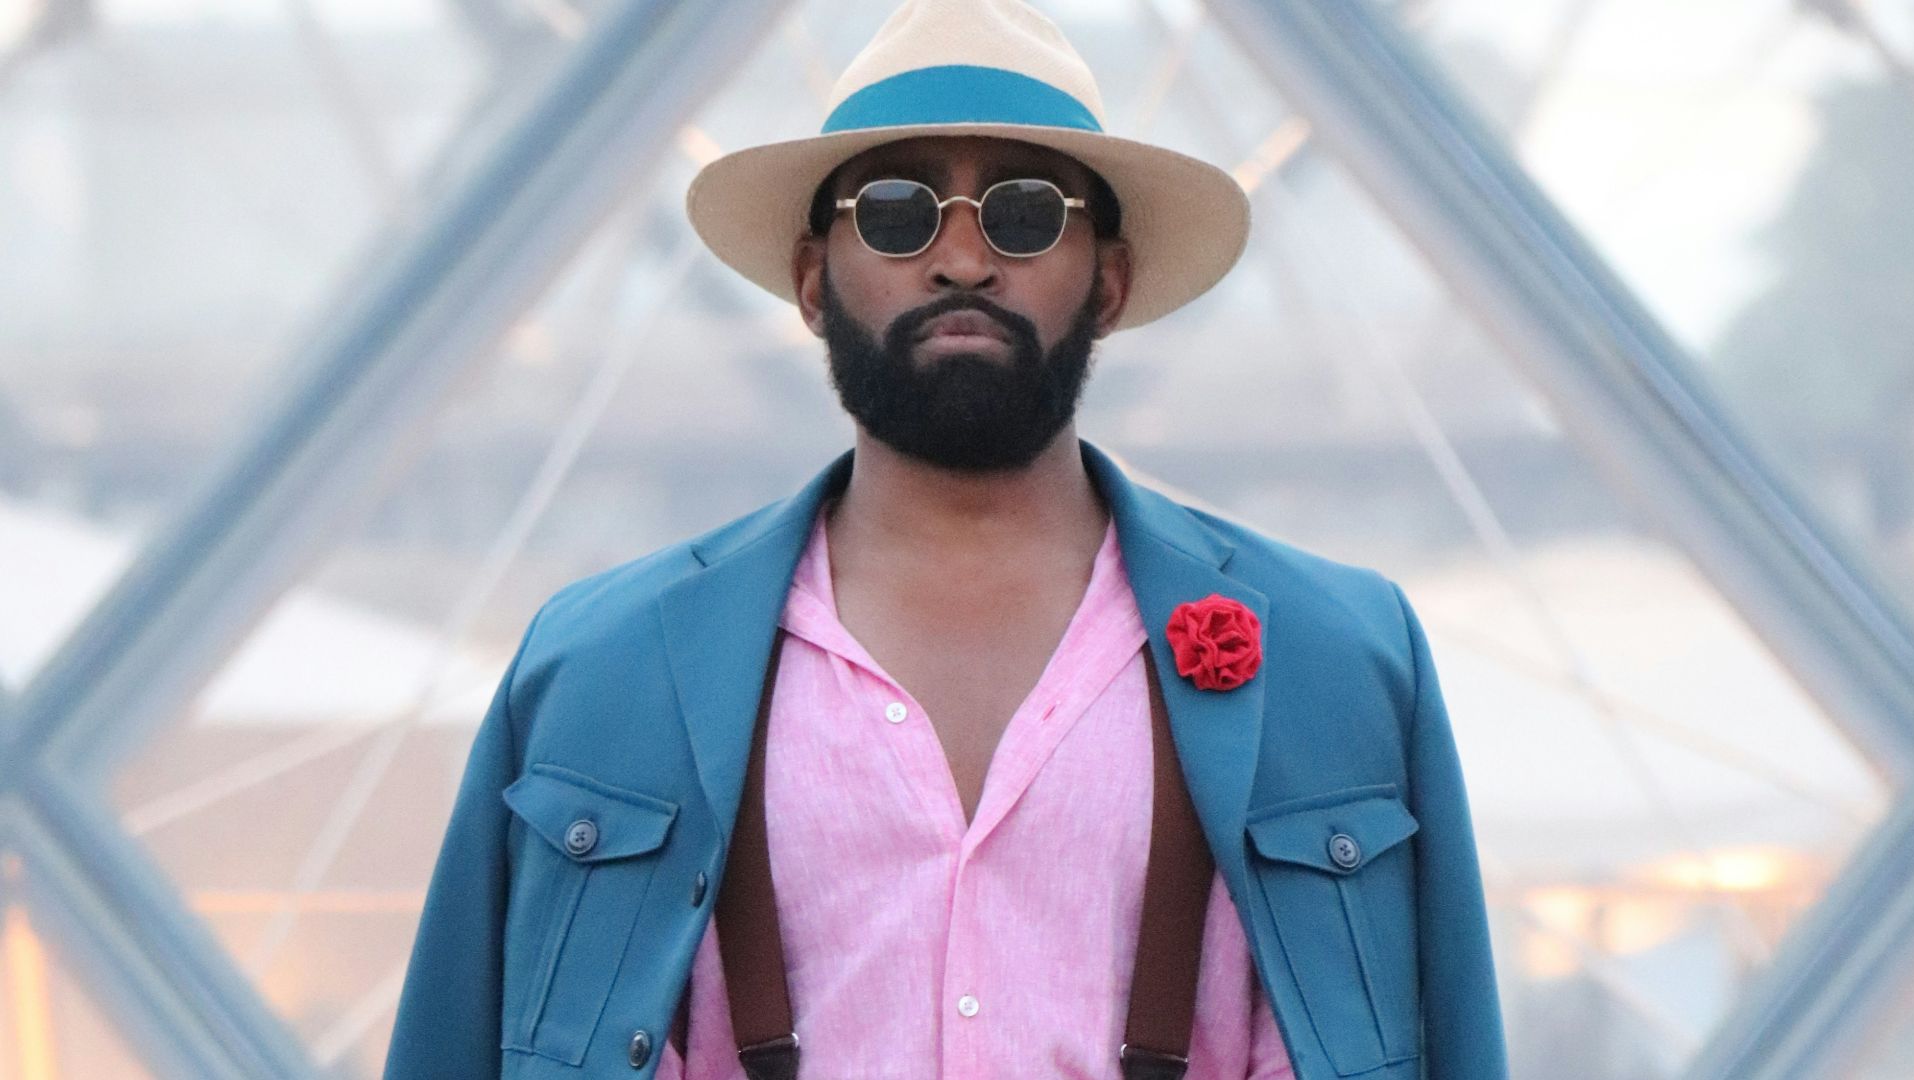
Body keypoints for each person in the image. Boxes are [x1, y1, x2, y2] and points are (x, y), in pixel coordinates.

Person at [382, 1, 1509, 1078]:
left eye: (1023, 214)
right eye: (895, 213)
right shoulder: (593, 671)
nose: (962, 259)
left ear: (1108, 281)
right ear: (812, 280)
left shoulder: (1344, 661)